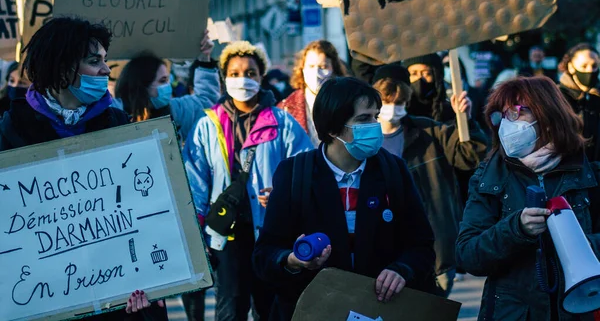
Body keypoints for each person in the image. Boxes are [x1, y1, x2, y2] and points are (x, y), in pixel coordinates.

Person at [0, 17, 167, 320]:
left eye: (105, 60)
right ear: (63, 68)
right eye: (94, 61)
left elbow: (142, 208)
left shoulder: (116, 125)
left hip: (117, 294)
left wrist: (156, 276)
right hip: (43, 297)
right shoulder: (11, 132)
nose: (106, 69)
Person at [253, 77, 436, 320]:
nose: (374, 125)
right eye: (363, 119)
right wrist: (293, 260)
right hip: (313, 311)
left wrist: (402, 270)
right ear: (332, 128)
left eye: (375, 116)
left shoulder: (393, 170)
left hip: (377, 310)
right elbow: (264, 253)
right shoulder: (295, 173)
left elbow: (421, 245)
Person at [184, 41, 312, 321]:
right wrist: (198, 230)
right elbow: (195, 181)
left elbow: (304, 170)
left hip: (272, 231)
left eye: (251, 73)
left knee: (271, 308)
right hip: (225, 234)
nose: (243, 79)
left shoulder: (283, 122)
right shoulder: (207, 124)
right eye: (235, 72)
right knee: (231, 307)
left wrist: (282, 193)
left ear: (261, 76)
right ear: (224, 78)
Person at [456, 76, 600, 320]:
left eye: (516, 112)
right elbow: (467, 255)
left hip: (579, 309)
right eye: (500, 116)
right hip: (513, 313)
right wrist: (516, 229)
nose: (506, 124)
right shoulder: (489, 177)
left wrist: (575, 242)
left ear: (547, 115)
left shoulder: (589, 175)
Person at [371, 65, 487, 297]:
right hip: (382, 246)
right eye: (386, 101)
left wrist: (464, 121)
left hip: (434, 246)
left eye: (399, 102)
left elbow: (471, 156)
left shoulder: (429, 131)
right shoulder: (363, 139)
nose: (392, 109)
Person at [115, 31, 220, 140]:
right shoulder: (115, 115)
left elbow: (206, 101)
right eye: (162, 81)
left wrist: (204, 60)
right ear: (142, 86)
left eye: (168, 79)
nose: (168, 86)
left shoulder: (176, 110)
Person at [278, 40, 347, 147]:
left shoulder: (347, 103)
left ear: (334, 69)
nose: (316, 73)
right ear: (302, 69)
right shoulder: (285, 108)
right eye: (311, 66)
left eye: (323, 67)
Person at [558, 43, 600, 162]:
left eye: (594, 66)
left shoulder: (596, 95)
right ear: (571, 67)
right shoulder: (558, 97)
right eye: (584, 66)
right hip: (570, 170)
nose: (590, 70)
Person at [402, 53, 455, 123]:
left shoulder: (449, 111)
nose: (419, 78)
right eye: (414, 74)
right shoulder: (399, 111)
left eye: (426, 73)